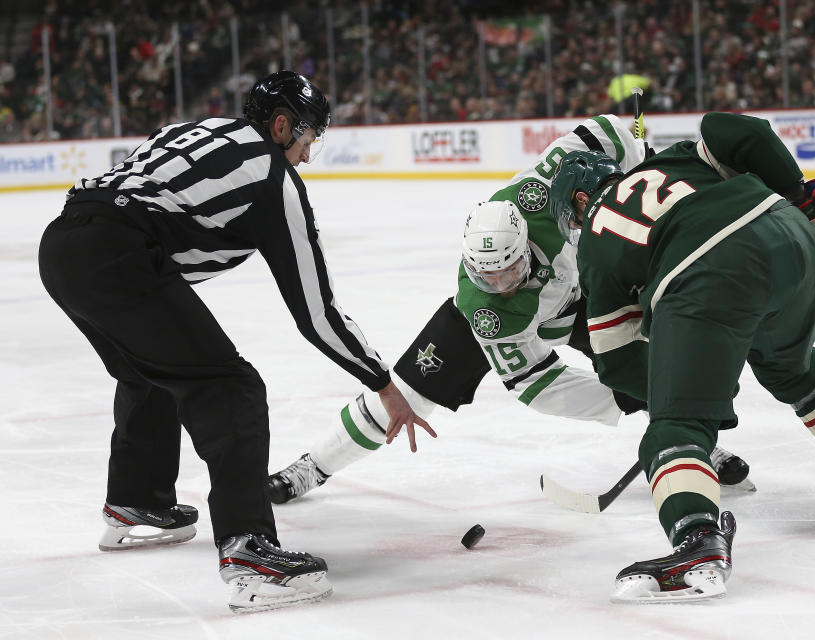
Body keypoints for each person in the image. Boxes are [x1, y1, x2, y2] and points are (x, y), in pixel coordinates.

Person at [37, 70, 430, 613]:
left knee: (146, 370)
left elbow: (135, 195)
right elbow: (317, 313)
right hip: (119, 256)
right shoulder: (273, 178)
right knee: (232, 388)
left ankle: (135, 503)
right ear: (281, 124)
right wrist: (381, 382)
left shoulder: (199, 129)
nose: (307, 156)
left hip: (61, 245)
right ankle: (249, 553)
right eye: (309, 138)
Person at [267, 113, 754, 506]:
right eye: (488, 277)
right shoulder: (489, 311)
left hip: (584, 289)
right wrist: (618, 397)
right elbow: (539, 387)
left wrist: (640, 162)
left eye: (507, 272)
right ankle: (312, 467)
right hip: (518, 319)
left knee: (654, 358)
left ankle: (693, 440)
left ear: (524, 242)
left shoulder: (544, 191)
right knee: (405, 397)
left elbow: (608, 131)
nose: (499, 285)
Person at [548, 111, 815, 604]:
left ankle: (697, 541)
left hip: (711, 272)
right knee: (789, 366)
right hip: (795, 240)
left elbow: (616, 359)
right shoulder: (677, 159)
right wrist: (800, 198)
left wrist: (683, 391)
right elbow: (734, 129)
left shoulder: (597, 239)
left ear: (582, 199)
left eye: (574, 217)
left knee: (676, 423)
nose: (578, 226)